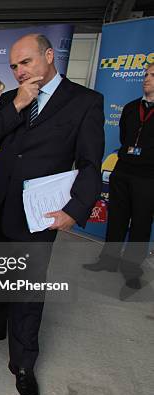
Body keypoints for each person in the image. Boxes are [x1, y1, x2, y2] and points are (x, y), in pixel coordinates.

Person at [0, 34, 104, 395]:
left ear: (48, 55)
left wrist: (75, 210)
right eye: (13, 66)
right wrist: (18, 104)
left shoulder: (85, 102)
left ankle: (23, 363)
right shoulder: (12, 98)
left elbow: (90, 164)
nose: (19, 71)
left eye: (25, 62)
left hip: (39, 214)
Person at [83, 64, 154, 291]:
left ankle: (132, 269)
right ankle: (108, 260)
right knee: (117, 218)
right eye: (146, 74)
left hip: (149, 177)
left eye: (152, 75)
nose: (147, 79)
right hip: (123, 171)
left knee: (141, 224)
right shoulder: (132, 108)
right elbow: (125, 135)